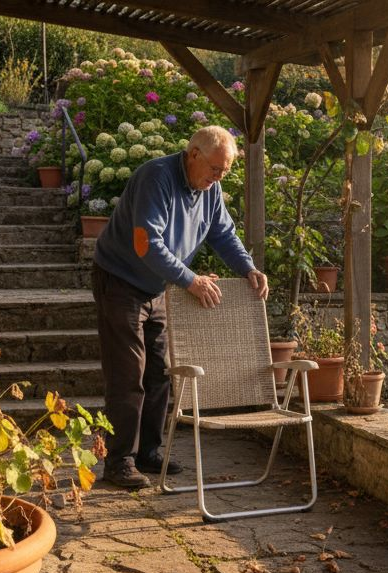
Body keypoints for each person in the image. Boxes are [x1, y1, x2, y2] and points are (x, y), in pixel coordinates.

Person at [91, 125, 269, 489]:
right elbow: (146, 244)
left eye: (226, 171)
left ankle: (148, 453)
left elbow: (223, 234)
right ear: (193, 155)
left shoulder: (210, 189)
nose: (219, 177)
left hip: (157, 286)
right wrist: (190, 280)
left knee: (160, 372)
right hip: (120, 280)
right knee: (129, 373)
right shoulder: (156, 178)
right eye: (215, 169)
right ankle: (119, 460)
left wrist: (248, 267)